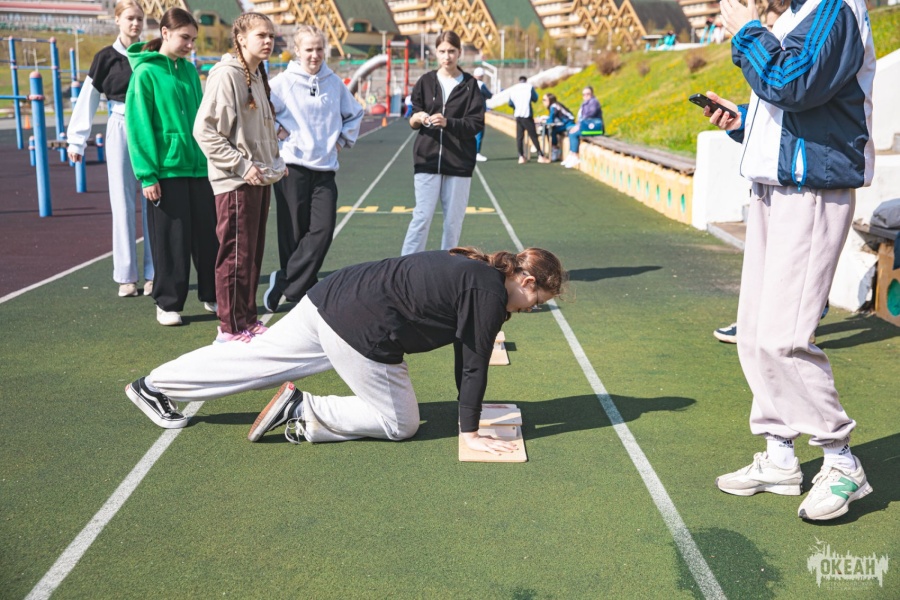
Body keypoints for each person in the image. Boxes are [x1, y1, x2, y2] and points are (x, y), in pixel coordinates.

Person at [124, 247, 567, 455]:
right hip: (360, 325)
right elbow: (473, 365)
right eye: (536, 301)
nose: (530, 309)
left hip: (329, 297)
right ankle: (304, 410)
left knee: (252, 357)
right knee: (401, 423)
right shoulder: (488, 292)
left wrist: (467, 412)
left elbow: (465, 353)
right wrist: (469, 432)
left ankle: (153, 385)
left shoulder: (480, 272)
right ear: (526, 281)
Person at [708, 0, 876, 521]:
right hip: (776, 187)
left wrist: (746, 32)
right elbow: (790, 103)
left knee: (784, 337)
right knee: (755, 333)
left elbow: (793, 83)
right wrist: (745, 123)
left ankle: (841, 459)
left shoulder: (835, 7)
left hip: (812, 192)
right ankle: (780, 454)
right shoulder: (795, 15)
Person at [193, 13, 285, 343]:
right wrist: (242, 166)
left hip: (258, 179)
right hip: (235, 182)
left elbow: (257, 130)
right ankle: (230, 328)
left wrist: (274, 162)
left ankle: (247, 319)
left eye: (271, 36)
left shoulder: (258, 75)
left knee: (252, 255)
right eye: (261, 35)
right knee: (235, 256)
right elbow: (204, 131)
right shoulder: (226, 75)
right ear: (241, 38)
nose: (268, 41)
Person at [126, 7, 219, 326]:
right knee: (172, 242)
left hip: (199, 168)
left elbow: (201, 121)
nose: (190, 45)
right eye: (184, 38)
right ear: (165, 33)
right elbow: (139, 126)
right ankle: (167, 303)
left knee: (208, 237)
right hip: (166, 171)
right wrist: (147, 175)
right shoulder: (145, 73)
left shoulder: (190, 72)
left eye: (193, 39)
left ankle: (213, 294)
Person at [262, 25, 364, 313]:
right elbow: (259, 110)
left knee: (323, 230)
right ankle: (301, 291)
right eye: (309, 49)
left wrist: (341, 142)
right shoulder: (282, 83)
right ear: (297, 50)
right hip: (291, 167)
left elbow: (355, 113)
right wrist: (278, 131)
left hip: (324, 169)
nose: (315, 55)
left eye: (319, 49)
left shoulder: (334, 82)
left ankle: (284, 281)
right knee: (293, 234)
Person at [66, 0, 154, 299]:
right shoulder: (105, 57)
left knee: (155, 200)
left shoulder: (151, 54)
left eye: (140, 18)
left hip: (150, 129)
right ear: (117, 20)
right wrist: (77, 140)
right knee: (122, 202)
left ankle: (154, 273)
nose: (135, 23)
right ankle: (126, 276)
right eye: (130, 18)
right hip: (120, 126)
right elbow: (88, 98)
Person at [401, 31, 485, 256]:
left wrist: (448, 123)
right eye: (442, 51)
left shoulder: (470, 85)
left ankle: (448, 267)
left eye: (451, 51)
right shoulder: (425, 81)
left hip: (459, 162)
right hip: (427, 159)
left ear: (459, 53)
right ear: (436, 53)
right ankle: (406, 264)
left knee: (453, 221)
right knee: (421, 216)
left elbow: (475, 123)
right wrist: (418, 117)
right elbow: (412, 118)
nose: (447, 56)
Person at [508, 75, 549, 165]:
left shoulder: (514, 88)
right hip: (527, 114)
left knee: (519, 137)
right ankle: (540, 156)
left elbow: (510, 103)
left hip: (518, 115)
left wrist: (517, 106)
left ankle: (521, 156)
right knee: (533, 136)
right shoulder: (529, 87)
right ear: (526, 80)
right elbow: (535, 98)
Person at [561, 86, 603, 169]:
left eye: (588, 94)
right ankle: (571, 154)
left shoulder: (594, 102)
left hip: (593, 127)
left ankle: (575, 155)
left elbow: (589, 115)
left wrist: (578, 126)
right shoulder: (585, 103)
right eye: (584, 94)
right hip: (585, 126)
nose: (586, 96)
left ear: (592, 94)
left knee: (573, 133)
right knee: (570, 129)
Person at [539, 93, 575, 162]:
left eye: (544, 100)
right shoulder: (554, 106)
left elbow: (551, 120)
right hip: (565, 123)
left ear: (550, 100)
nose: (543, 102)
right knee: (549, 129)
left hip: (568, 123)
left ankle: (555, 149)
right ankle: (554, 148)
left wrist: (543, 120)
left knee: (551, 130)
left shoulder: (554, 106)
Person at [472, 66, 493, 162]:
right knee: (479, 133)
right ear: (481, 76)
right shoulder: (481, 84)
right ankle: (476, 153)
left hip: (469, 111)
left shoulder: (467, 83)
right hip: (478, 111)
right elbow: (489, 95)